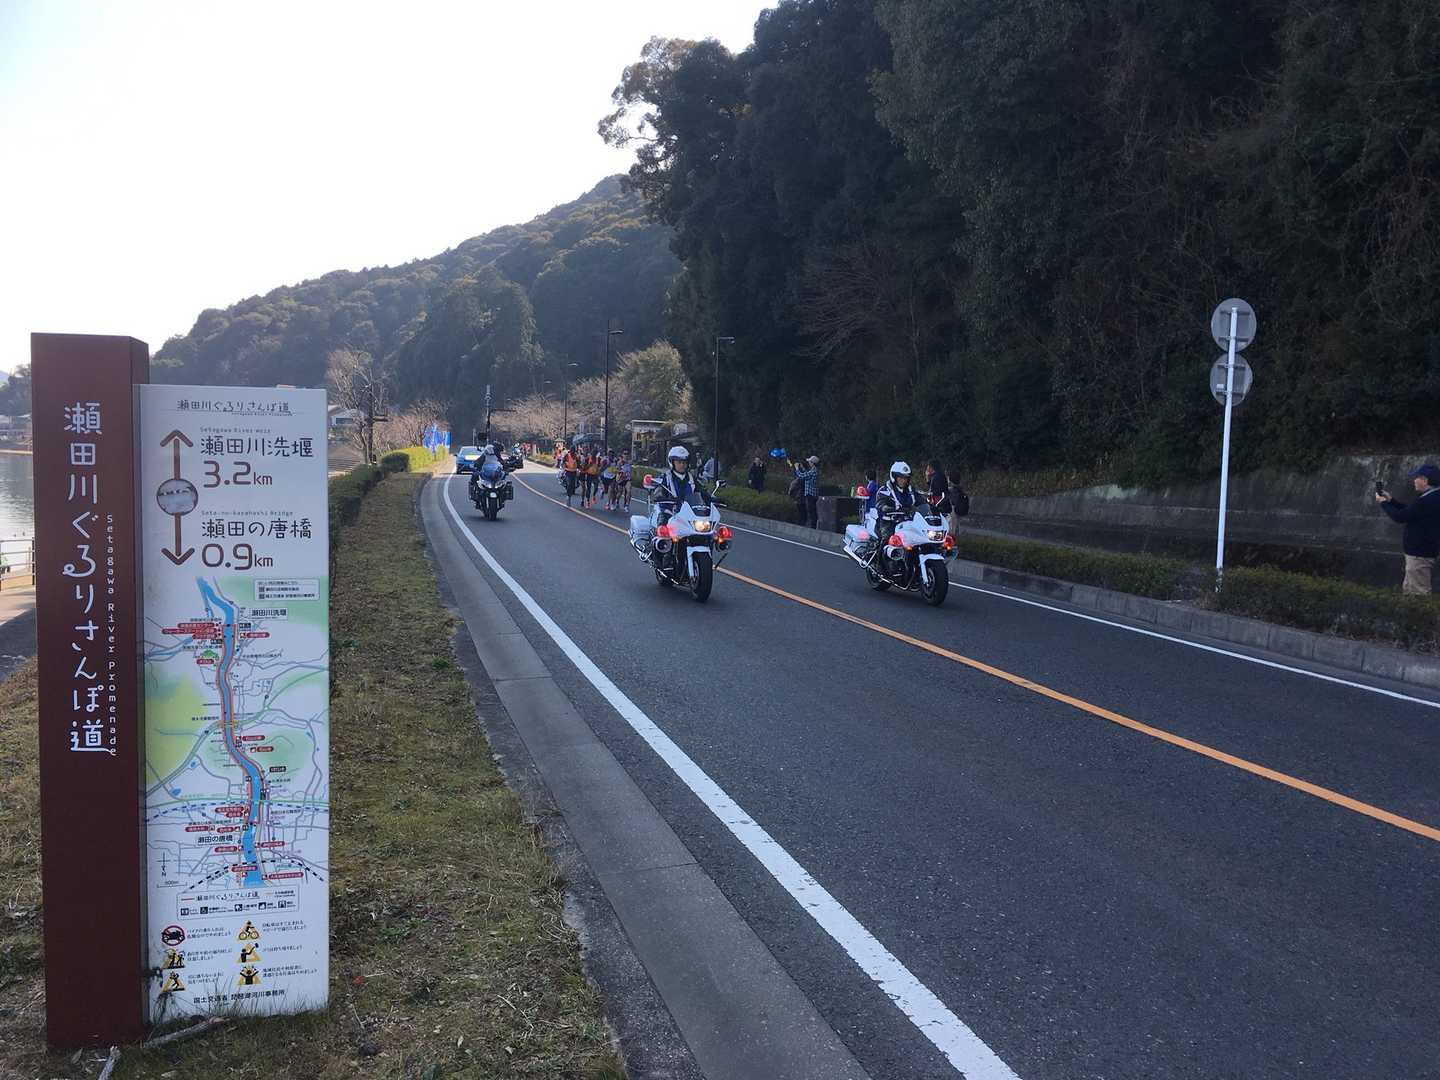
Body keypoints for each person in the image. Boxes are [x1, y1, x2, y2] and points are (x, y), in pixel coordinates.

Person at [1377, 462, 1440, 594]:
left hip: (1419, 554)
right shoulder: (1433, 496)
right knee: (1410, 588)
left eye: (1416, 478)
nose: (1414, 481)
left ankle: (1419, 609)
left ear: (1424, 480)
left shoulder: (1426, 500)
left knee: (1418, 592)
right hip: (1424, 551)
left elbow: (1400, 517)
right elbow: (1411, 511)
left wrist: (1383, 503)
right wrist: (1391, 500)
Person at [651, 446, 709, 525]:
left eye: (684, 462)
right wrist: (659, 495)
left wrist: (711, 497)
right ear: (672, 462)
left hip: (690, 513)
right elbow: (659, 488)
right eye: (679, 462)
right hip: (670, 511)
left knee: (708, 527)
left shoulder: (692, 478)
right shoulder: (665, 477)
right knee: (662, 524)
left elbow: (702, 490)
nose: (682, 465)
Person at [874, 461, 919, 547]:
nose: (904, 480)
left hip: (907, 522)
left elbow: (921, 501)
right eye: (901, 478)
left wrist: (931, 507)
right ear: (894, 477)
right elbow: (880, 503)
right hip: (888, 522)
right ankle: (880, 554)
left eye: (906, 478)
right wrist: (886, 507)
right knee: (888, 539)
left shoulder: (911, 490)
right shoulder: (884, 490)